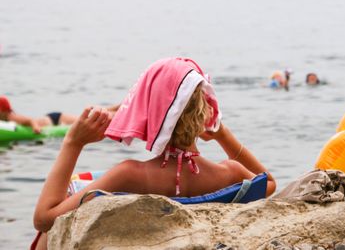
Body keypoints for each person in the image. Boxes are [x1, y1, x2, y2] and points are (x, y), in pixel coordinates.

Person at [32, 58, 276, 249]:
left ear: (148, 117)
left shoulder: (129, 174)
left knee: (69, 193)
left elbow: (44, 219)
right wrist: (222, 134)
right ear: (207, 114)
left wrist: (72, 143)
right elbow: (269, 183)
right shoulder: (229, 173)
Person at [0, 95, 77, 133]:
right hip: (50, 120)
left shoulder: (12, 117)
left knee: (83, 121)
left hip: (56, 119)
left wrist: (36, 127)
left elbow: (30, 120)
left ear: (2, 110)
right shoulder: (4, 119)